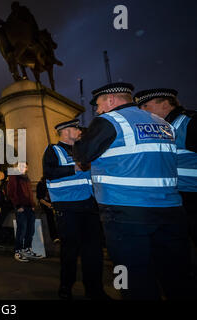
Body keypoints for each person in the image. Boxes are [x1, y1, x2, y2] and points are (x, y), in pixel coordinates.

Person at [73, 83, 192, 300]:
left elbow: (82, 154)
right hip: (171, 211)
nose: (98, 110)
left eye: (99, 105)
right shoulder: (161, 123)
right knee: (176, 275)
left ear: (110, 100)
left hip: (125, 215)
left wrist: (79, 139)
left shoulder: (108, 121)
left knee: (128, 276)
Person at [42, 119, 107, 300]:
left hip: (90, 206)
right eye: (75, 128)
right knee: (69, 252)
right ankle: (65, 290)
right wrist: (74, 168)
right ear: (64, 131)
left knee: (93, 252)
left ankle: (95, 291)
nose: (79, 131)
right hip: (68, 207)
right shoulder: (53, 150)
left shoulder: (84, 149)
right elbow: (49, 173)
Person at [134, 88, 197, 246]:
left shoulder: (189, 123)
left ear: (165, 104)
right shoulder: (159, 129)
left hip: (192, 197)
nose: (142, 111)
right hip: (169, 197)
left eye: (146, 106)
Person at [7, 162, 42, 262]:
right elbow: (11, 192)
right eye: (21, 166)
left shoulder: (26, 178)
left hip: (29, 207)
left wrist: (32, 205)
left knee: (30, 230)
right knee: (22, 230)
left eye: (25, 166)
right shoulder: (14, 177)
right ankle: (17, 251)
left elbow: (30, 193)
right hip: (20, 207)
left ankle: (27, 249)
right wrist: (18, 206)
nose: (24, 168)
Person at [36, 176, 58, 244]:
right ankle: (54, 237)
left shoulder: (53, 183)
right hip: (44, 203)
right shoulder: (40, 185)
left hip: (53, 202)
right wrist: (49, 205)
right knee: (50, 214)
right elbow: (40, 198)